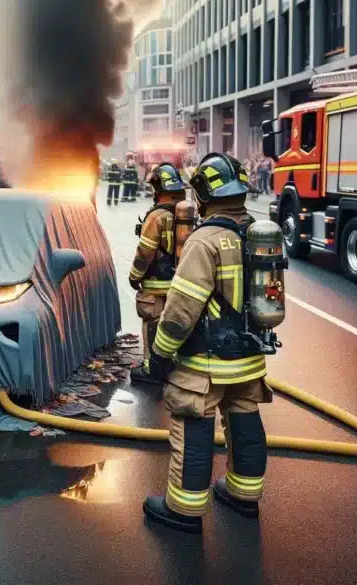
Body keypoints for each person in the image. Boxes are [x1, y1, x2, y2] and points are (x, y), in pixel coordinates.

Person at [143, 153, 271, 534]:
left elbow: (181, 311)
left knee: (194, 422)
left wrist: (160, 353)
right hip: (250, 357)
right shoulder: (259, 233)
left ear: (202, 194)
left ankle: (183, 510)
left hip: (206, 361)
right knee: (245, 418)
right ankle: (243, 495)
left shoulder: (205, 241)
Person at [128, 164, 188, 385]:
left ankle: (152, 367)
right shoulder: (186, 214)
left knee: (152, 320)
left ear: (158, 188)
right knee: (174, 321)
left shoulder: (157, 216)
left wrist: (135, 276)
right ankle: (172, 362)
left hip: (155, 282)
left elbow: (145, 251)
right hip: (180, 281)